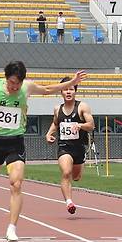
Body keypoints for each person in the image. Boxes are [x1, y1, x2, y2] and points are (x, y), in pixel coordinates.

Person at [0, 61, 86, 242]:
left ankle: (12, 228)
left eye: (17, 84)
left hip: (16, 142)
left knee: (16, 184)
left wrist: (71, 82)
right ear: (6, 79)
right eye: (11, 83)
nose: (14, 87)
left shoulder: (26, 88)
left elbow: (49, 89)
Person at [45, 77, 95, 215]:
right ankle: (69, 202)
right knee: (66, 172)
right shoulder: (57, 109)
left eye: (71, 89)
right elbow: (56, 123)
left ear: (75, 91)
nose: (68, 92)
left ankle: (75, 175)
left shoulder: (82, 107)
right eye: (65, 89)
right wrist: (49, 134)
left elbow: (91, 125)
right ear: (61, 92)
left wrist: (80, 125)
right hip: (64, 147)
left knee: (76, 177)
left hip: (79, 148)